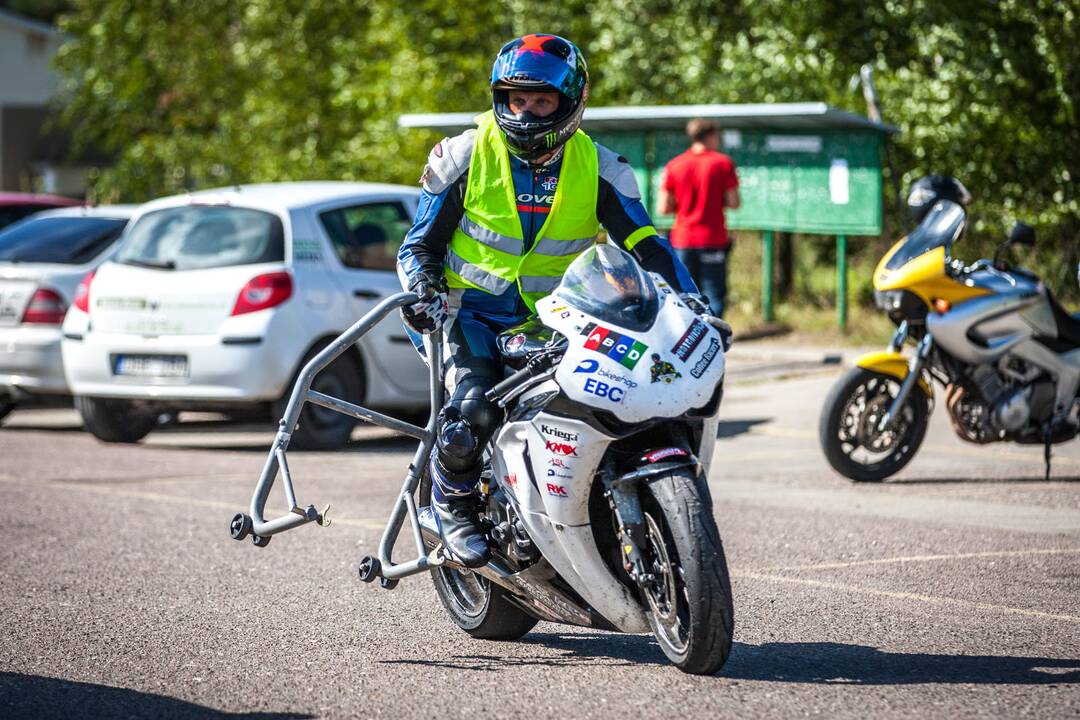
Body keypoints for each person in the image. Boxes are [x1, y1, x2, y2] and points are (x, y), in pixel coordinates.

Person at [396, 34, 715, 569]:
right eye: (516, 100)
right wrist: (422, 291)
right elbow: (418, 245)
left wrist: (691, 300)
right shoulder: (463, 154)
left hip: (557, 316)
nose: (526, 112)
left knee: (609, 395)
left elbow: (646, 245)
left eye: (541, 101)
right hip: (463, 313)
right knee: (474, 403)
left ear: (570, 102)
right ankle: (450, 497)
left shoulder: (603, 168)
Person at [658, 118, 741, 316]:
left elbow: (663, 208)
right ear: (711, 136)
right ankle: (715, 339)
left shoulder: (674, 165)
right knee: (713, 293)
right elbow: (734, 202)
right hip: (713, 238)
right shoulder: (723, 163)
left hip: (683, 240)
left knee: (685, 294)